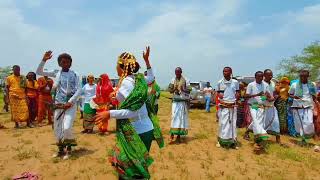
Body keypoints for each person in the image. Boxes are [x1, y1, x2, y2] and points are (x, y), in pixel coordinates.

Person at [94, 47, 163, 179]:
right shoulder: (139, 79)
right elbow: (152, 78)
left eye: (117, 65)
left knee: (131, 171)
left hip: (135, 131)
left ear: (121, 67)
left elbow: (132, 111)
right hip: (146, 129)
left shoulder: (127, 82)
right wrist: (147, 61)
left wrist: (109, 113)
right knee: (138, 166)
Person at [36, 51, 81, 160]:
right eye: (63, 62)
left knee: (66, 127)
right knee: (57, 128)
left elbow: (79, 90)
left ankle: (69, 149)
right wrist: (44, 60)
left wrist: (70, 102)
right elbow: (39, 71)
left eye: (68, 62)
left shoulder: (75, 74)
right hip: (58, 104)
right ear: (59, 64)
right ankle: (61, 150)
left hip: (70, 105)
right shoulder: (56, 72)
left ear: (71, 63)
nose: (66, 64)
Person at [243, 71, 273, 151]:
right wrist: (256, 95)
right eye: (259, 77)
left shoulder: (265, 85)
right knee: (256, 121)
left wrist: (270, 98)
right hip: (253, 106)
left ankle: (247, 132)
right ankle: (259, 140)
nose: (260, 78)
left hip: (261, 106)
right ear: (255, 77)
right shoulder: (251, 85)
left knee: (258, 122)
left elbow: (266, 96)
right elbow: (245, 96)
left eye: (262, 77)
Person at [289, 70, 316, 145]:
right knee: (299, 125)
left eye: (304, 76)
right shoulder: (294, 84)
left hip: (308, 106)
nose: (303, 78)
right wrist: (294, 97)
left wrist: (315, 103)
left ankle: (308, 136)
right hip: (298, 106)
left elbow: (314, 96)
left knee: (309, 122)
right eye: (301, 76)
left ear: (308, 77)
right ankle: (302, 140)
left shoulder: (312, 85)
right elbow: (290, 94)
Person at [216, 67, 239, 149]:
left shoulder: (235, 82)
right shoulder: (220, 82)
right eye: (224, 71)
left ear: (231, 72)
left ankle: (233, 142)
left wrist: (236, 98)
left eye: (226, 71)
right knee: (222, 124)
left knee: (232, 125)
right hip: (224, 107)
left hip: (233, 107)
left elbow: (237, 92)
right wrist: (221, 98)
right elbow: (218, 94)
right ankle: (220, 141)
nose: (225, 72)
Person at [168, 67, 190, 143]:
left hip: (182, 102)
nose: (177, 73)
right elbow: (169, 90)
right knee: (174, 118)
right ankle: (172, 132)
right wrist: (174, 89)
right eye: (176, 72)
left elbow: (189, 90)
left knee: (180, 119)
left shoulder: (186, 80)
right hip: (175, 102)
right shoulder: (172, 80)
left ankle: (178, 136)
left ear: (181, 72)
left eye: (178, 72)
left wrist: (183, 89)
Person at [262, 69, 281, 143]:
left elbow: (274, 93)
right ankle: (248, 133)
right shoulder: (261, 84)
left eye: (271, 75)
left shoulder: (273, 83)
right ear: (264, 75)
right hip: (262, 107)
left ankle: (278, 139)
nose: (271, 76)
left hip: (272, 106)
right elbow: (262, 97)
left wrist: (276, 96)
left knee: (276, 122)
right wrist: (268, 98)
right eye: (269, 75)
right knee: (260, 123)